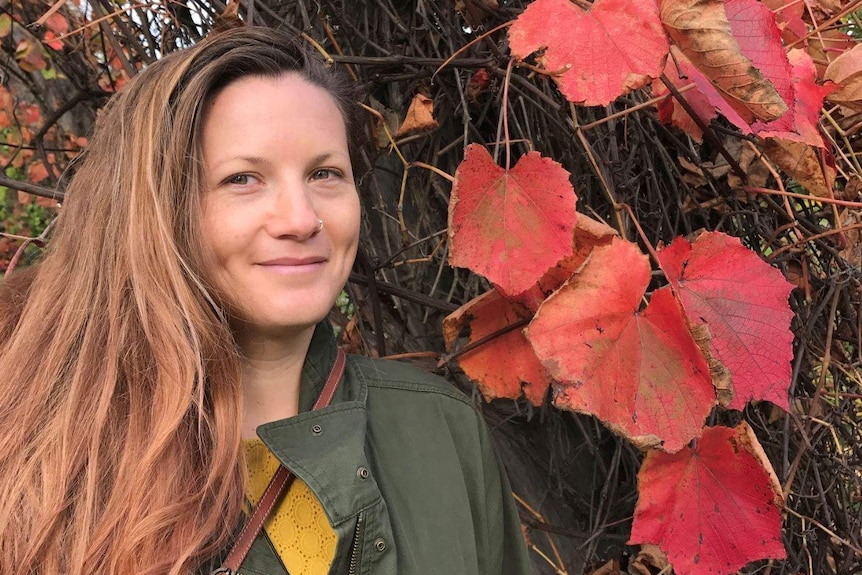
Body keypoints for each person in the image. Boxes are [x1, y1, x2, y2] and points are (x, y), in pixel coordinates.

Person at [0, 27, 532, 575]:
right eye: (243, 179)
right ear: (153, 211)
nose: (301, 219)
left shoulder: (438, 428)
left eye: (325, 173)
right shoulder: (37, 456)